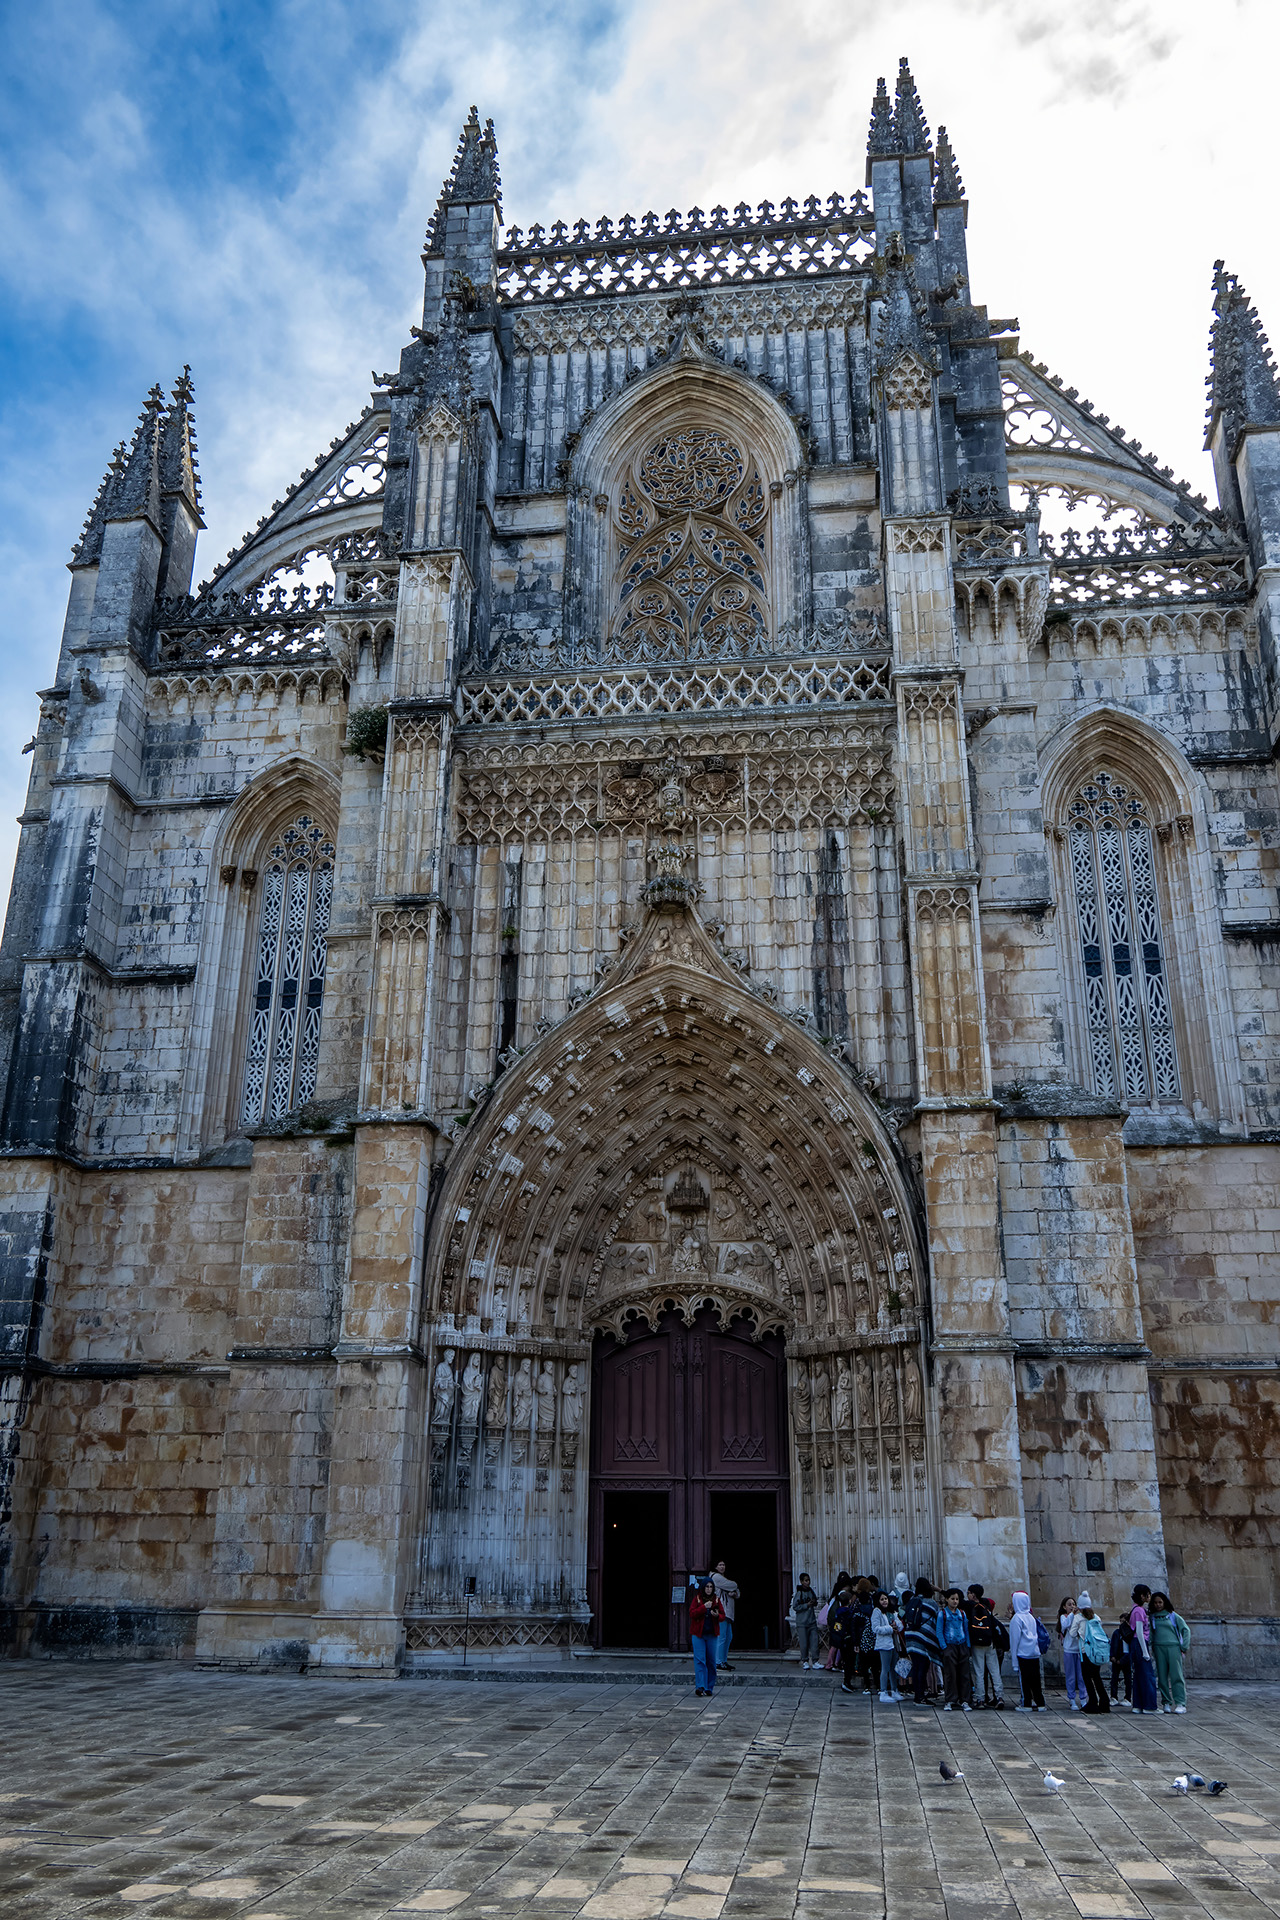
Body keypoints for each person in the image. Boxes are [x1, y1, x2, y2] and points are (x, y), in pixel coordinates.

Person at [964, 1583, 1006, 1710]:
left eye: (968, 1593)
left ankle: (980, 1699)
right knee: (994, 1671)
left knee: (979, 1671)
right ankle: (999, 1696)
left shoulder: (969, 1606)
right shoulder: (986, 1605)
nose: (967, 1595)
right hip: (989, 1641)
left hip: (977, 1643)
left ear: (973, 1594)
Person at [1149, 1590, 1191, 1713]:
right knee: (1162, 1677)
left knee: (1176, 1675)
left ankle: (1180, 1703)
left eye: (1160, 1602)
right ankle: (1166, 1702)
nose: (1158, 1605)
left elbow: (1185, 1630)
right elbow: (1150, 1634)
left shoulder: (1173, 1615)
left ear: (1164, 1603)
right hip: (1158, 1648)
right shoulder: (1152, 1617)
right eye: (1155, 1602)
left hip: (1173, 1647)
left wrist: (1184, 1646)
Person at [903, 1577, 941, 1706]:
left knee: (916, 1667)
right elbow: (937, 1620)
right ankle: (920, 1697)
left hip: (910, 1637)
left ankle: (917, 1696)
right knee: (923, 1668)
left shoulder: (912, 1600)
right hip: (923, 1639)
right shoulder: (931, 1603)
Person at [1009, 1591, 1047, 1711]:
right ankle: (1040, 1703)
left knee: (1025, 1680)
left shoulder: (1016, 1618)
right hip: (1034, 1653)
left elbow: (1014, 1640)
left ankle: (1027, 1703)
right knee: (1036, 1680)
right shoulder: (1031, 1617)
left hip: (1023, 1654)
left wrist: (1014, 1662)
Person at [688, 1578, 725, 1696]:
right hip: (698, 1634)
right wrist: (704, 1607)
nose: (709, 1589)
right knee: (700, 1660)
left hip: (712, 1635)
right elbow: (692, 1613)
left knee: (711, 1661)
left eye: (711, 1587)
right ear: (703, 1588)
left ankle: (709, 1687)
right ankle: (700, 1686)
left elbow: (723, 1616)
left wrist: (717, 1615)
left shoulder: (716, 1600)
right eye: (707, 1587)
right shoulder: (697, 1599)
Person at [1076, 1592, 1111, 1713]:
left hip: (1085, 1652)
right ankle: (1104, 1701)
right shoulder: (1096, 1617)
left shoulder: (1078, 1618)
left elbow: (1072, 1633)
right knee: (1096, 1677)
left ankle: (1092, 1702)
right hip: (1097, 1651)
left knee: (1087, 1678)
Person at [938, 1589, 973, 1711]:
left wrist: (968, 1646)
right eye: (952, 1599)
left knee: (964, 1674)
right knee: (950, 1674)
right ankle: (950, 1700)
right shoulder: (942, 1614)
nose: (955, 1601)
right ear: (947, 1599)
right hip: (949, 1645)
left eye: (957, 1599)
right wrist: (944, 1647)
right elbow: (939, 1631)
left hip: (962, 1645)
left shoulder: (962, 1614)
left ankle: (965, 1700)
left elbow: (966, 1630)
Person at [1129, 1584, 1158, 1714]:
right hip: (1140, 1644)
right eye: (1148, 1594)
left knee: (1139, 1675)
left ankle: (1138, 1705)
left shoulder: (1135, 1609)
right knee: (1148, 1675)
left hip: (1136, 1644)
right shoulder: (1139, 1611)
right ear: (1142, 1596)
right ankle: (1149, 1706)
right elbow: (1139, 1632)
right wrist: (1145, 1652)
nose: (1149, 1597)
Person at [711, 1560, 740, 1673]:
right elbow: (734, 1585)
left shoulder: (723, 1578)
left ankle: (723, 1661)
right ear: (715, 1567)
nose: (722, 1567)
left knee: (728, 1637)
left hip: (728, 1612)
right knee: (722, 1637)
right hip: (721, 1610)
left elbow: (737, 1592)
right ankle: (718, 1662)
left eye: (723, 1565)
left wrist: (735, 1593)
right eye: (720, 1565)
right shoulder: (716, 1577)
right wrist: (733, 1589)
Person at [1058, 1595, 1085, 1712]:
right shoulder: (1064, 1617)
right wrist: (1071, 1614)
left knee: (1081, 1676)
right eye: (1069, 1605)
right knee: (1071, 1676)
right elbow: (1065, 1625)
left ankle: (1083, 1698)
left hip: (1079, 1649)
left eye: (1073, 1604)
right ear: (1064, 1607)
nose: (1072, 1606)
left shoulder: (1078, 1617)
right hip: (1069, 1649)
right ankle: (1072, 1698)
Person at [870, 1590, 898, 1702]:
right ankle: (883, 1691)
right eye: (882, 1599)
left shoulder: (891, 1611)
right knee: (885, 1668)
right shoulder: (876, 1612)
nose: (884, 1601)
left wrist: (896, 1625)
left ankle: (894, 1690)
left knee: (893, 1668)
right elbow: (875, 1628)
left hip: (893, 1643)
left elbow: (897, 1622)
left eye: (886, 1599)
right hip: (884, 1644)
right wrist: (890, 1629)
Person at [792, 1573, 820, 1670]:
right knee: (804, 1644)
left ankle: (815, 1661)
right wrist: (806, 1605)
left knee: (815, 1642)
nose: (808, 1582)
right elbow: (795, 1606)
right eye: (805, 1580)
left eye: (808, 1580)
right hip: (802, 1622)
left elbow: (815, 1601)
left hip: (811, 1620)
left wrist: (813, 1602)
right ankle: (805, 1661)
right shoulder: (799, 1593)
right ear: (801, 1581)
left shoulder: (811, 1591)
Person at [1109, 1616, 1133, 1706]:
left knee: (1128, 1679)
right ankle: (1113, 1697)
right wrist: (1112, 1656)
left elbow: (1129, 1649)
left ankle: (1128, 1698)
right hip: (1116, 1658)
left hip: (1125, 1659)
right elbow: (1113, 1644)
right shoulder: (1117, 1633)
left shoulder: (1129, 1634)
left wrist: (1123, 1659)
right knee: (1114, 1678)